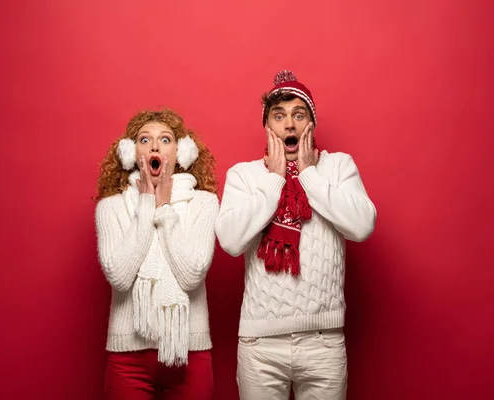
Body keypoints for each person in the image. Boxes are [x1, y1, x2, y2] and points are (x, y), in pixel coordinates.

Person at [215, 70, 377, 399]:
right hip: (260, 345)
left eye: (298, 115)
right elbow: (230, 242)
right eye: (279, 116)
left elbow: (362, 226)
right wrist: (275, 180)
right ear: (268, 127)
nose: (289, 124)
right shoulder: (244, 176)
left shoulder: (339, 167)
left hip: (323, 341)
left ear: (310, 126)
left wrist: (309, 175)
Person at [95, 109, 218, 399]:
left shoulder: (205, 203)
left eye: (165, 139)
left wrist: (165, 211)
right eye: (144, 139)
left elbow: (192, 274)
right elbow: (120, 276)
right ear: (130, 152)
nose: (154, 146)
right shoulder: (110, 207)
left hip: (189, 353)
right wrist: (147, 203)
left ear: (182, 151)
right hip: (128, 360)